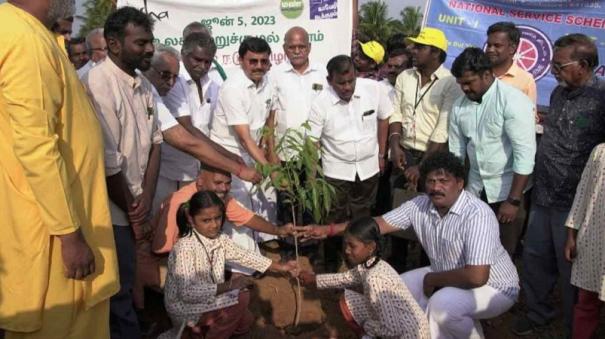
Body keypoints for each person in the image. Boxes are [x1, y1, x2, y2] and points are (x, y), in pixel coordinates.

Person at [298, 151, 520, 338]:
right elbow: (377, 224)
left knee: (442, 306)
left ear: (460, 184)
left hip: (494, 286)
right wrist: (327, 230)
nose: (436, 187)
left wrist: (432, 280)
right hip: (448, 274)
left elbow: (477, 276)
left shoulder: (477, 213)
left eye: (444, 181)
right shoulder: (420, 205)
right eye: (431, 181)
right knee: (392, 290)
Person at [0, 0, 119, 338]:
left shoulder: (27, 33)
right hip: (53, 237)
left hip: (57, 219)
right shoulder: (23, 38)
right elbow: (36, 145)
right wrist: (69, 235)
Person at [513, 33, 605, 337]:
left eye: (560, 65)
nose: (553, 70)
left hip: (576, 205)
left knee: (572, 271)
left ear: (583, 64)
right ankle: (538, 313)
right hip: (543, 195)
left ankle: (573, 324)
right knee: (535, 259)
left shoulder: (602, 98)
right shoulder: (558, 94)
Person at [82, 7, 160, 338]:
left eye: (151, 41)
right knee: (115, 291)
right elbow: (107, 160)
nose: (149, 49)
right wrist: (132, 210)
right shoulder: (97, 83)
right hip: (111, 211)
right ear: (114, 44)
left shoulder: (141, 83)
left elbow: (156, 142)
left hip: (134, 205)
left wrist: (144, 196)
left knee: (127, 283)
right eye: (140, 42)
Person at [159, 191, 297, 339]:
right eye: (206, 220)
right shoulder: (184, 248)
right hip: (185, 307)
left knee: (246, 320)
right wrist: (230, 285)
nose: (214, 225)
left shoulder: (219, 239)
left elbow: (243, 255)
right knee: (241, 299)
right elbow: (187, 293)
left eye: (217, 218)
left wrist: (281, 267)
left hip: (207, 298)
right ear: (191, 220)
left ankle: (204, 332)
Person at [143, 44, 261, 215]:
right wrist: (238, 169)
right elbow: (187, 139)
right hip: (163, 172)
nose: (170, 83)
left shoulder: (211, 84)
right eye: (164, 75)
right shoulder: (150, 90)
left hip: (191, 168)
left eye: (174, 77)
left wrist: (227, 155)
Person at [449, 47, 536, 257]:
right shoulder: (459, 106)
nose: (465, 89)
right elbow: (456, 153)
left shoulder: (513, 101)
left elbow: (524, 154)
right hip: (475, 189)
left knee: (502, 254)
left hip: (507, 190)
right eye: (461, 84)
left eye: (469, 82)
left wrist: (513, 201)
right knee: (473, 249)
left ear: (487, 75)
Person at [307, 55, 391, 271]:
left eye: (351, 81)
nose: (347, 87)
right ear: (329, 80)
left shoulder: (373, 89)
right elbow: (312, 142)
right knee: (332, 223)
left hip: (368, 170)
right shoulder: (320, 103)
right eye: (341, 83)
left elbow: (384, 118)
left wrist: (382, 154)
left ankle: (363, 268)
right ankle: (330, 267)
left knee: (363, 221)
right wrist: (313, 178)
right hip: (336, 173)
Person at [148, 165, 297, 284]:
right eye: (218, 183)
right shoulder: (179, 204)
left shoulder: (218, 202)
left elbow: (246, 222)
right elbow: (161, 249)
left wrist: (278, 231)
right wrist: (225, 288)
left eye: (228, 183)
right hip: (172, 266)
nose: (224, 188)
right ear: (200, 181)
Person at [296, 217, 430, 339]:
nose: (347, 250)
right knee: (349, 300)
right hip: (404, 326)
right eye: (346, 245)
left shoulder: (375, 280)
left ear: (371, 247)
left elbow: (392, 330)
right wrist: (314, 279)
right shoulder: (374, 264)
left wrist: (367, 326)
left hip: (409, 334)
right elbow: (346, 278)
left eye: (352, 246)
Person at [210, 37, 278, 252]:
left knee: (262, 199)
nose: (259, 66)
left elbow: (269, 126)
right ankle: (243, 266)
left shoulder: (269, 83)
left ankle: (264, 244)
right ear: (241, 61)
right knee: (238, 208)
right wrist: (270, 168)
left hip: (254, 151)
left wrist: (270, 158)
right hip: (228, 154)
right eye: (253, 61)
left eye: (263, 61)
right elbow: (243, 137)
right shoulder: (233, 88)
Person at [388, 27, 462, 192]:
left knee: (428, 209)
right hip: (403, 154)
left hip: (433, 158)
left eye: (420, 48)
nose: (413, 51)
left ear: (435, 52)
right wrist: (394, 146)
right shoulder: (404, 76)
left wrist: (422, 166)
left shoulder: (450, 82)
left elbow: (442, 129)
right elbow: (396, 113)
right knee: (397, 206)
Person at [267, 26, 327, 225]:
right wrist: (272, 154)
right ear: (284, 49)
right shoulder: (275, 75)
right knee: (287, 203)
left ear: (309, 47)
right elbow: (270, 115)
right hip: (285, 153)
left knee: (312, 201)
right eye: (292, 47)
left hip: (315, 152)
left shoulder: (322, 73)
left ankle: (309, 245)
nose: (297, 50)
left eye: (301, 46)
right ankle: (288, 245)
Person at [564, 143, 605, 339]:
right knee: (586, 301)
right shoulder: (600, 152)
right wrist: (571, 235)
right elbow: (582, 194)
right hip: (593, 239)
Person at [485, 22, 537, 106]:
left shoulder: (526, 81)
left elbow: (529, 115)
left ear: (512, 48)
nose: (490, 50)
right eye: (489, 45)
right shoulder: (479, 73)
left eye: (497, 46)